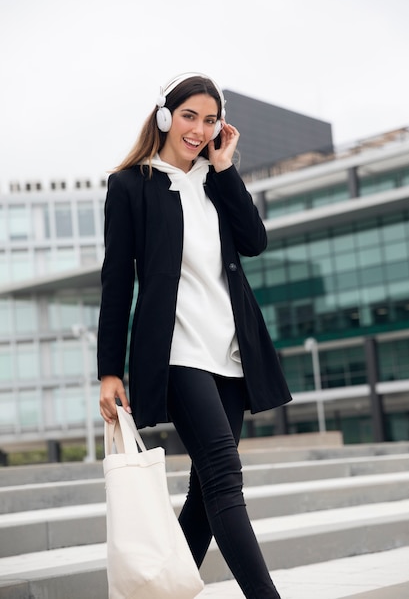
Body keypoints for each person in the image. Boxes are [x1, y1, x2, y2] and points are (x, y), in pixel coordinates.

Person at [98, 72, 292, 599]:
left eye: (210, 120)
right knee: (226, 475)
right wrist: (109, 371)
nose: (199, 130)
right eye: (190, 116)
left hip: (229, 352)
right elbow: (116, 282)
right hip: (176, 352)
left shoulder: (214, 178)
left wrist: (226, 168)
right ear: (165, 116)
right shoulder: (130, 185)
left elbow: (254, 241)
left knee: (207, 493)